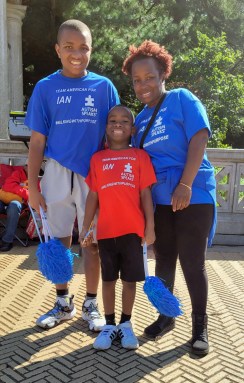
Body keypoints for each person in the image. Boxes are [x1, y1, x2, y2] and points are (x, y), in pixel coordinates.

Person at [122, 40, 217, 356]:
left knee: (192, 262)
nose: (143, 85)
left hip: (193, 194)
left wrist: (186, 184)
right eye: (137, 80)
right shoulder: (139, 121)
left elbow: (199, 138)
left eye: (149, 77)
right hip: (160, 201)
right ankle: (166, 316)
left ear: (163, 74)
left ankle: (200, 327)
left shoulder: (181, 99)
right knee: (163, 260)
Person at [25, 19, 120, 331]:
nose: (76, 53)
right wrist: (33, 187)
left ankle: (91, 304)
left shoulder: (104, 87)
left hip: (93, 178)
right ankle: (63, 302)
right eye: (69, 47)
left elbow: (116, 138)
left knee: (91, 241)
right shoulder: (44, 88)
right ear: (57, 50)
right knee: (60, 242)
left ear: (91, 50)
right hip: (54, 174)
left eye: (83, 47)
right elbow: (37, 142)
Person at [80, 105, 156, 350]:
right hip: (105, 231)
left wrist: (150, 227)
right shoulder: (97, 158)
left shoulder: (139, 157)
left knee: (130, 280)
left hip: (133, 231)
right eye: (112, 120)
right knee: (109, 279)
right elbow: (93, 196)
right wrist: (85, 228)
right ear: (106, 127)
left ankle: (126, 324)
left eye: (124, 121)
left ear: (132, 129)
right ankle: (110, 325)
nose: (118, 124)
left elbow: (146, 195)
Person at [0, 163, 28, 252]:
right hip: (4, 199)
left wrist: (17, 189)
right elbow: (7, 186)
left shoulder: (40, 177)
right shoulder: (18, 173)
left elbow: (38, 193)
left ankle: (7, 241)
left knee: (14, 206)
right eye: (27, 165)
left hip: (20, 205)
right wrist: (25, 193)